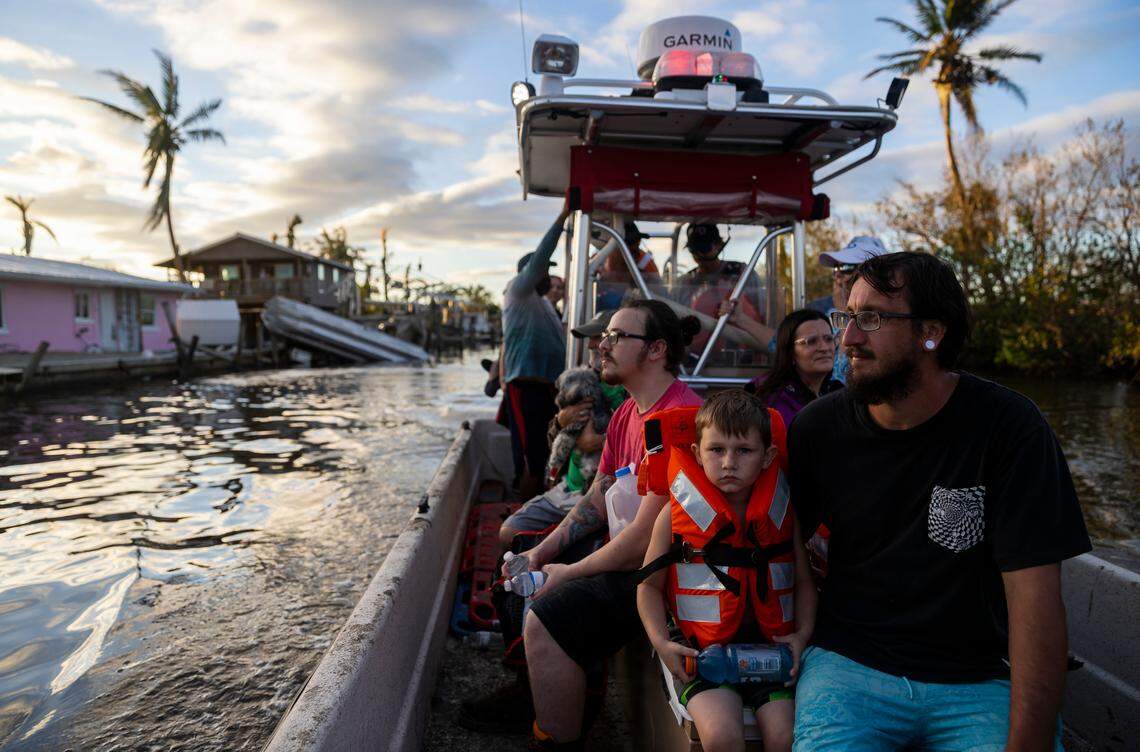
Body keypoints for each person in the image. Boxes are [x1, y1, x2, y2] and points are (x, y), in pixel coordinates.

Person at [788, 252, 1091, 751]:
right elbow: (778, 544)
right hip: (848, 667)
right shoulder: (817, 429)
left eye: (872, 319)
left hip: (977, 679)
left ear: (931, 332)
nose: (848, 340)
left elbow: (1035, 601)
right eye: (848, 317)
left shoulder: (1010, 429)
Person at [518, 299, 702, 750]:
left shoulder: (678, 422)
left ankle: (556, 740)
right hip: (630, 556)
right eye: (606, 337)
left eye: (617, 337)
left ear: (656, 349)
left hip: (665, 575)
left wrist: (567, 572)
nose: (603, 345)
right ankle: (547, 692)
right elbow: (598, 495)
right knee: (524, 559)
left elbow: (643, 543)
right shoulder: (627, 413)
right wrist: (543, 551)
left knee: (544, 618)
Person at [637, 390, 817, 752]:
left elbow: (803, 582)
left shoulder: (783, 514)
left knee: (785, 738)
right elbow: (648, 588)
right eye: (716, 450)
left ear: (767, 457)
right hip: (702, 654)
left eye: (743, 451)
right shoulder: (672, 516)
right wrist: (662, 643)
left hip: (771, 653)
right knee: (722, 738)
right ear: (696, 454)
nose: (729, 462)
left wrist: (802, 636)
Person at [498, 309, 626, 548]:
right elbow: (554, 441)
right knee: (509, 532)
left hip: (603, 495)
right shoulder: (581, 383)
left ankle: (561, 547)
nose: (593, 344)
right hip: (568, 487)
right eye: (592, 339)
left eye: (598, 337)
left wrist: (599, 441)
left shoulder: (629, 392)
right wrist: (561, 422)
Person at [502, 207, 571, 500]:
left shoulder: (546, 307)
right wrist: (563, 217)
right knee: (531, 460)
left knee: (548, 457)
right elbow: (541, 256)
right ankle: (521, 521)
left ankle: (541, 512)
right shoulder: (517, 292)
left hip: (549, 392)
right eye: (543, 269)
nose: (546, 273)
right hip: (526, 387)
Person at [672, 223, 775, 356]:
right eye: (693, 249)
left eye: (704, 248)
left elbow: (763, 313)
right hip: (696, 360)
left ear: (719, 245)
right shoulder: (685, 283)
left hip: (743, 357)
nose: (699, 255)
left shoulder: (742, 274)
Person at [805, 235, 889, 383]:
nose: (837, 274)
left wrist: (846, 314)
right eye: (836, 267)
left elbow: (843, 382)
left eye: (846, 267)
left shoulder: (887, 318)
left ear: (874, 274)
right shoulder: (829, 315)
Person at [748, 309, 843, 429]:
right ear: (790, 352)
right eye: (812, 341)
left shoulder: (838, 393)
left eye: (829, 339)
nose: (824, 348)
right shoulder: (770, 401)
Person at [594, 221, 661, 310]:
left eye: (636, 240)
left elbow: (660, 294)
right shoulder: (595, 264)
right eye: (627, 242)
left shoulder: (645, 263)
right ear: (610, 245)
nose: (633, 248)